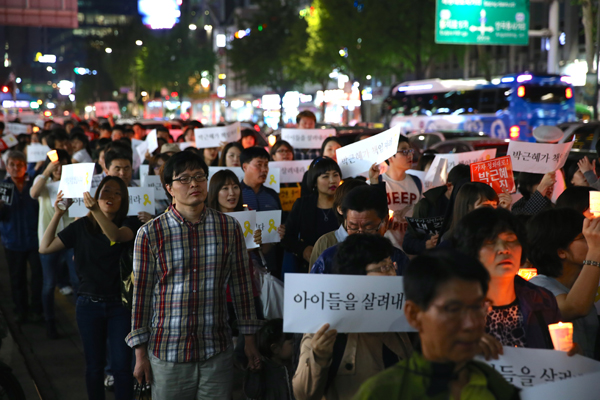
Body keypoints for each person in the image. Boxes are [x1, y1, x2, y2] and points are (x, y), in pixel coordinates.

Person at [125, 151, 262, 399]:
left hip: (216, 351)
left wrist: (249, 340)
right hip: (168, 352)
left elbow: (242, 286)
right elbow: (141, 296)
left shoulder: (229, 227)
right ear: (169, 187)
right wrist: (140, 354)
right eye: (184, 178)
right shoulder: (150, 233)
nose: (194, 184)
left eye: (199, 177)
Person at [354, 249, 520, 400]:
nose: (470, 324)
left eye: (478, 307)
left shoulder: (496, 385)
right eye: (453, 309)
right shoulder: (384, 392)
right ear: (414, 314)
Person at [39, 176, 138, 400]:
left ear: (124, 200)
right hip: (87, 306)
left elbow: (114, 236)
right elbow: (44, 247)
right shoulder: (81, 227)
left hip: (119, 308)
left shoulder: (129, 224)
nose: (110, 196)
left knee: (122, 368)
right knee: (94, 367)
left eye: (117, 193)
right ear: (96, 194)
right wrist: (58, 214)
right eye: (106, 191)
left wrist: (94, 211)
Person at [294, 234, 412, 400]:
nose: (393, 274)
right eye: (383, 268)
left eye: (392, 266)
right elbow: (303, 394)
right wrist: (319, 357)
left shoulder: (401, 317)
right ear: (357, 276)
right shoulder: (325, 324)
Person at [453, 207, 561, 349]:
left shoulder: (541, 300)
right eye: (490, 242)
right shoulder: (452, 307)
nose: (504, 249)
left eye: (511, 239)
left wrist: (568, 355)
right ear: (470, 250)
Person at [528, 208, 600, 359]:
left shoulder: (576, 284)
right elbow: (574, 308)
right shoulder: (538, 287)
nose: (593, 240)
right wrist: (595, 251)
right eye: (584, 237)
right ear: (561, 252)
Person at [30, 149, 78, 338]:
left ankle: (80, 319)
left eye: (62, 165)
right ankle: (50, 321)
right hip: (48, 240)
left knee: (76, 280)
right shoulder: (43, 183)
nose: (59, 169)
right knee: (49, 283)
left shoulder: (73, 185)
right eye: (56, 166)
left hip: (69, 239)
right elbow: (33, 193)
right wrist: (46, 171)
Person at [311, 185, 409, 276]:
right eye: (353, 227)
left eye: (369, 227)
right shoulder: (328, 259)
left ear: (386, 221)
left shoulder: (398, 260)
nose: (360, 233)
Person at [0, 150, 43, 323]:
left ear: (26, 166)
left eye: (20, 165)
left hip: (35, 240)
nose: (16, 168)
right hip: (12, 241)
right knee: (17, 278)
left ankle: (37, 309)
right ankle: (21, 310)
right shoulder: (3, 187)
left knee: (37, 278)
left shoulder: (34, 185)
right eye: (12, 165)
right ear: (7, 166)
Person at [282, 157, 341, 274]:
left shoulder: (344, 204)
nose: (332, 180)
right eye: (325, 176)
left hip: (341, 267)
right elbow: (287, 237)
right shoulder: (303, 205)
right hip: (309, 268)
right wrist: (303, 249)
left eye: (335, 175)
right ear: (314, 181)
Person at [403, 164, 471, 255]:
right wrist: (427, 244)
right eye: (462, 189)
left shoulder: (471, 204)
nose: (466, 194)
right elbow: (408, 243)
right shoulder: (426, 205)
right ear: (449, 186)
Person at [309, 178, 368, 267]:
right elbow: (314, 279)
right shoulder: (325, 243)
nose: (362, 210)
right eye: (355, 205)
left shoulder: (376, 240)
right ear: (340, 208)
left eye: (367, 204)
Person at [382, 135, 422, 249]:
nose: (410, 155)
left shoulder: (416, 182)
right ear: (390, 156)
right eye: (404, 151)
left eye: (410, 150)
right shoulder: (377, 183)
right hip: (388, 250)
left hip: (412, 250)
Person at [244, 319, 295, 400]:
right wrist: (255, 373)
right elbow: (252, 393)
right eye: (291, 343)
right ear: (275, 348)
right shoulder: (261, 368)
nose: (295, 346)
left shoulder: (293, 364)